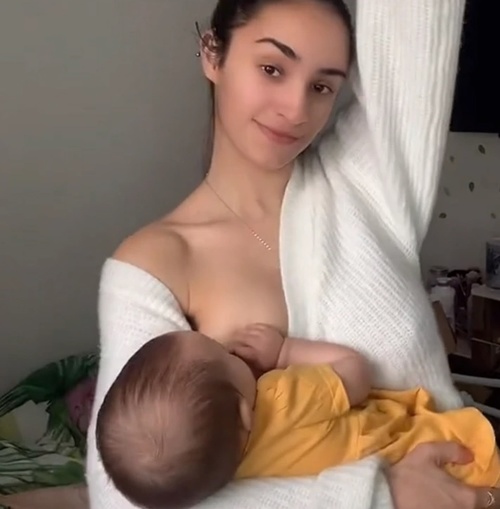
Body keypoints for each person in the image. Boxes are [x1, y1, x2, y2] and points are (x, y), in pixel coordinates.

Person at [85, 0, 499, 508]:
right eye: (272, 69)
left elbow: (415, 24)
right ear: (212, 53)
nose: (296, 109)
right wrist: (380, 496)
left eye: (322, 86)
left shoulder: (366, 189)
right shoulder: (152, 264)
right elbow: (123, 497)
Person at [94, 327, 500, 509]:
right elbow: (355, 374)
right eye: (222, 353)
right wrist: (285, 351)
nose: (229, 348)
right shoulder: (280, 398)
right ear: (243, 411)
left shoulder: (232, 477)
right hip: (452, 459)